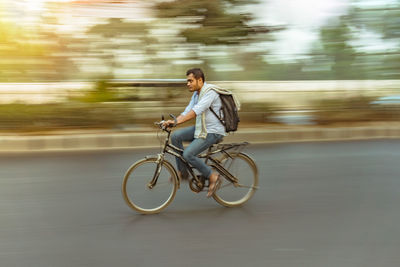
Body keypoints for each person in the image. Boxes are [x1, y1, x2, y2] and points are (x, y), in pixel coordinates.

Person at [163, 68, 228, 197]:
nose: (188, 83)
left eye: (190, 81)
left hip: (213, 132)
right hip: (201, 128)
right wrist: (173, 121)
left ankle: (212, 176)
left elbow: (195, 111)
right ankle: (183, 172)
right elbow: (188, 110)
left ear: (200, 80)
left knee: (188, 154)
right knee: (175, 136)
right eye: (187, 81)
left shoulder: (210, 93)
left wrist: (176, 123)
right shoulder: (196, 94)